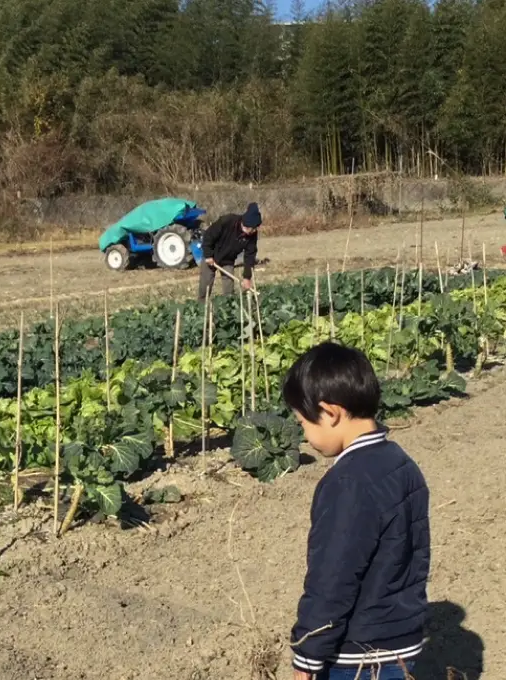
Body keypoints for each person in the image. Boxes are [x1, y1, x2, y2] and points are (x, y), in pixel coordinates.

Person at [281, 342, 430, 680]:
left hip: (359, 658)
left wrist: (308, 652)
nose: (305, 436)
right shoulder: (403, 464)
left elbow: (333, 577)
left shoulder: (348, 483)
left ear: (330, 412)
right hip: (400, 643)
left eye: (303, 423)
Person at [198, 202, 261, 301]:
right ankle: (201, 305)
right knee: (205, 283)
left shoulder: (252, 235)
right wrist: (208, 255)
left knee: (229, 288)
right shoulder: (227, 221)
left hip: (228, 260)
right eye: (254, 228)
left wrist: (247, 277)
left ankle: (228, 306)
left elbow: (250, 255)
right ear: (248, 226)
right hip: (212, 255)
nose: (255, 231)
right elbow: (208, 236)